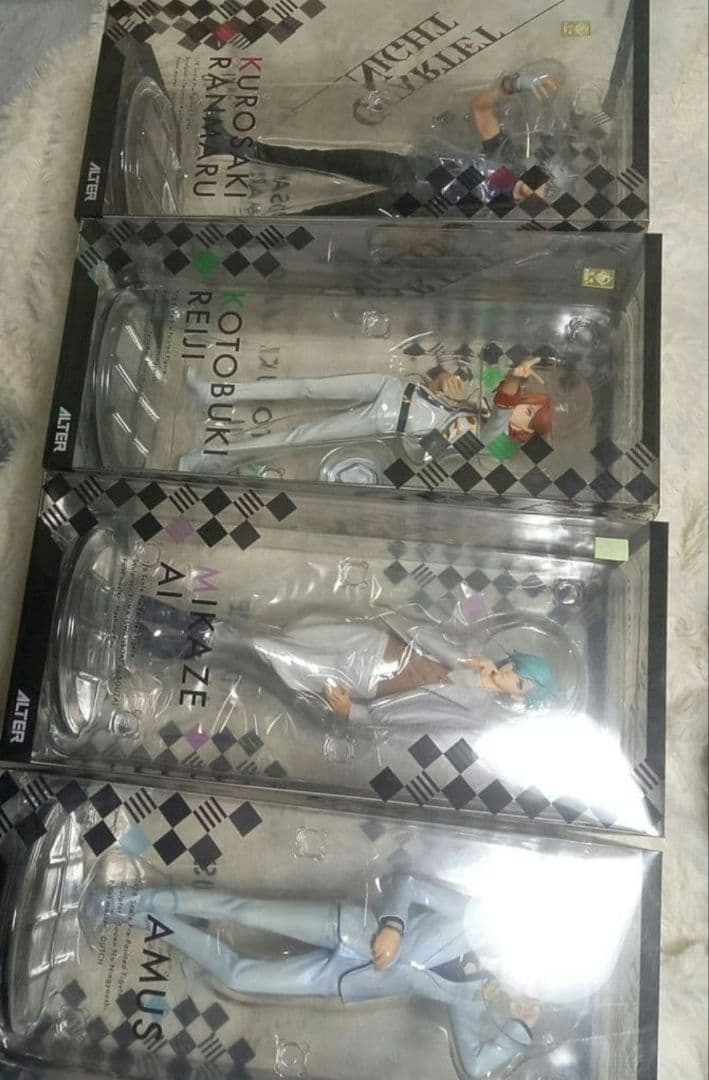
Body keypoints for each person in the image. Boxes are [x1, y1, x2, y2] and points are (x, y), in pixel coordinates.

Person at [86, 872, 539, 1079]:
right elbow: (411, 883)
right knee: (242, 909)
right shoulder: (475, 920)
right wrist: (395, 925)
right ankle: (134, 896)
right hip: (349, 927)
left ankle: (135, 916)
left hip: (347, 982)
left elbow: (476, 1067)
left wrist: (519, 1031)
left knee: (238, 975)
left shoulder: (472, 999)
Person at [135, 597, 557, 727]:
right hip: (369, 642)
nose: (512, 676)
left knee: (260, 648)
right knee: (268, 641)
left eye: (520, 684)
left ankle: (164, 631)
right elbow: (423, 632)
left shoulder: (472, 707)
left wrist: (352, 712)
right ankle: (164, 634)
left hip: (358, 681)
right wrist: (464, 657)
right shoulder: (475, 659)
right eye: (518, 668)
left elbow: (410, 716)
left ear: (518, 699)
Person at [202, 69, 563, 215]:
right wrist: (512, 85)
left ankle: (249, 233)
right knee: (319, 158)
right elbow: (480, 109)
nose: (537, 192)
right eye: (542, 184)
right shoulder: (506, 162)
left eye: (544, 196)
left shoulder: (500, 218)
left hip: (408, 205)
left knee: (322, 217)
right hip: (405, 169)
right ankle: (230, 145)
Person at [178, 357, 552, 475]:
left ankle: (210, 458)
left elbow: (500, 412)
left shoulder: (488, 441)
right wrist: (439, 382)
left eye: (529, 411)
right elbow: (438, 383)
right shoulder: (477, 406)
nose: (524, 406)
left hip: (389, 419)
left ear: (523, 429)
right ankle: (215, 392)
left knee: (299, 437)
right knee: (307, 386)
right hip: (394, 388)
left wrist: (514, 380)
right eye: (529, 404)